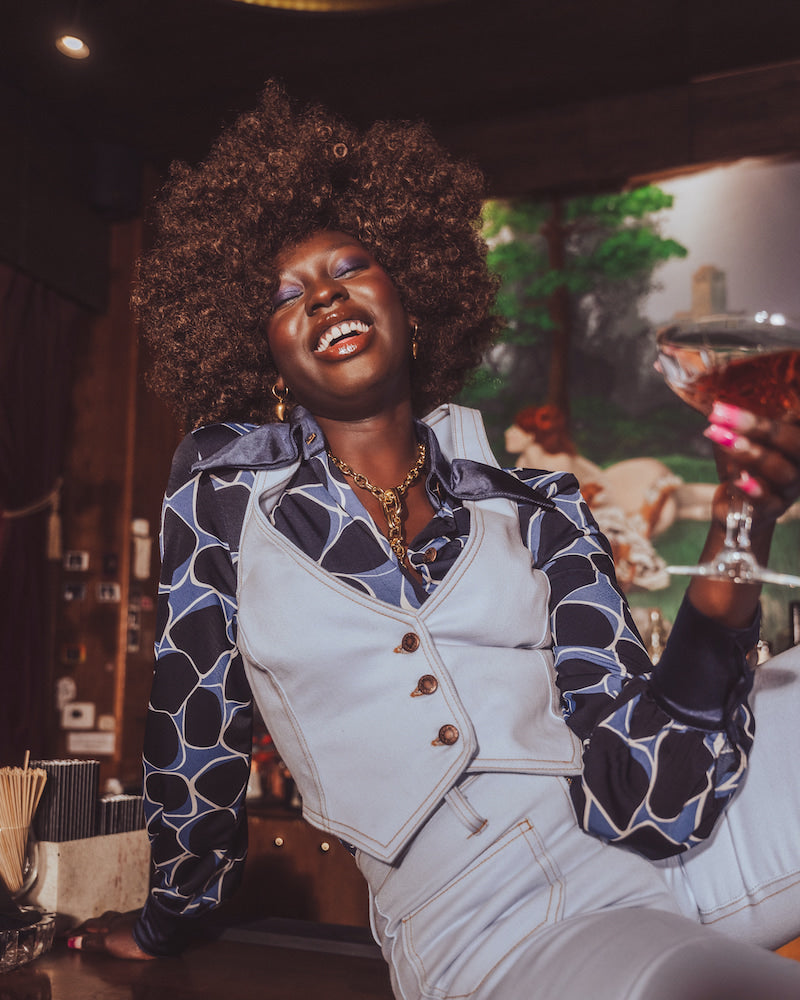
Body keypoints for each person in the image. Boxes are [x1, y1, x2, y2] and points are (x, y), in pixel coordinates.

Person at [70, 82, 800, 997]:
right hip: (486, 924)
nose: (324, 295)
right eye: (286, 294)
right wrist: (165, 920)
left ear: (412, 304)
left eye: (350, 267)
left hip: (657, 843)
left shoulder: (537, 504)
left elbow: (647, 782)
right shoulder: (225, 493)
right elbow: (195, 735)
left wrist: (744, 519)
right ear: (268, 354)